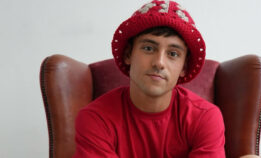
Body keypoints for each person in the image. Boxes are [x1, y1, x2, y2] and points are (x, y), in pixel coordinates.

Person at [73, 0, 226, 157]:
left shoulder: (205, 117)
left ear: (184, 67)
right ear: (128, 55)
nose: (159, 62)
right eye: (148, 48)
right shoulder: (95, 118)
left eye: (173, 54)